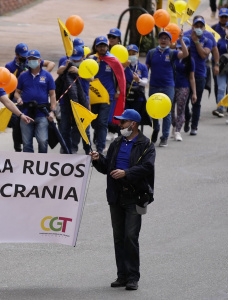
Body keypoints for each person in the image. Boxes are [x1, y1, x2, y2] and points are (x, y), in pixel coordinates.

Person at [90, 109, 156, 291]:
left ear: (133, 124)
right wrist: (97, 160)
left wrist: (126, 173)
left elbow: (147, 167)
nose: (119, 126)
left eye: (123, 123)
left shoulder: (146, 144)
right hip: (115, 195)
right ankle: (122, 275)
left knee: (130, 237)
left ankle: (133, 276)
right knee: (119, 237)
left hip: (134, 196)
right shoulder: (117, 143)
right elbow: (107, 167)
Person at [146, 30, 188, 147]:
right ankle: (156, 129)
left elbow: (185, 54)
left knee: (167, 112)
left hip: (168, 86)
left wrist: (180, 40)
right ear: (158, 40)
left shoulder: (172, 53)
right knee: (153, 111)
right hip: (154, 85)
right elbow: (146, 68)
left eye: (166, 38)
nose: (163, 40)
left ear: (170, 42)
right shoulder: (151, 52)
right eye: (161, 38)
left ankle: (164, 136)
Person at [14, 50, 56, 153]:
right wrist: (18, 98)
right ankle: (28, 164)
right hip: (26, 113)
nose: (32, 61)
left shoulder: (47, 75)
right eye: (30, 59)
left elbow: (52, 94)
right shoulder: (23, 76)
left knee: (43, 140)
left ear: (40, 60)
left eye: (34, 59)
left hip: (42, 113)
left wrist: (52, 111)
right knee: (26, 142)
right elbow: (16, 92)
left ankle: (42, 163)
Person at [90, 36, 126, 153]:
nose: (102, 48)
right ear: (96, 47)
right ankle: (98, 136)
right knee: (94, 122)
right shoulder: (91, 59)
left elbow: (120, 77)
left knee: (103, 122)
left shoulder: (113, 60)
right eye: (99, 46)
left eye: (104, 46)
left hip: (108, 96)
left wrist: (118, 91)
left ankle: (100, 147)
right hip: (93, 96)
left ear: (107, 46)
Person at [55, 46, 92, 154]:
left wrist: (79, 71)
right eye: (73, 59)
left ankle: (88, 150)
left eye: (77, 59)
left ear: (83, 57)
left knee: (84, 128)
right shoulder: (67, 61)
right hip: (67, 100)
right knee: (64, 126)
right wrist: (66, 66)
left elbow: (92, 78)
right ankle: (66, 149)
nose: (75, 61)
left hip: (83, 100)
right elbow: (59, 71)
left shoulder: (87, 64)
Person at [183, 16, 214, 136]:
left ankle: (194, 126)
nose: (199, 28)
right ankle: (187, 118)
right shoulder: (186, 38)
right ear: (193, 27)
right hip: (186, 73)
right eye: (197, 26)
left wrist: (196, 42)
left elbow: (203, 55)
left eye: (201, 26)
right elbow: (177, 49)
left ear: (204, 27)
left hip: (200, 75)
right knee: (184, 100)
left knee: (197, 102)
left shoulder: (208, 40)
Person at [5, 43, 30, 152]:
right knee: (16, 122)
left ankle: (26, 144)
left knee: (26, 121)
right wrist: (21, 76)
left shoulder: (30, 63)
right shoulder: (9, 66)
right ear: (16, 54)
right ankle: (17, 147)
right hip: (14, 97)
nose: (24, 57)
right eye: (22, 55)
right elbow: (7, 84)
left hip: (28, 96)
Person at [172, 38, 196, 142]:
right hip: (171, 86)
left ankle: (178, 130)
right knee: (170, 110)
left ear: (188, 47)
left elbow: (192, 77)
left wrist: (194, 93)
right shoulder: (173, 57)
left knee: (180, 109)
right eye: (179, 46)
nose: (180, 48)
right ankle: (174, 124)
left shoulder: (190, 60)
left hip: (183, 86)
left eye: (183, 46)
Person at [124, 45, 149, 126]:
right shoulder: (124, 66)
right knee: (126, 117)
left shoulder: (142, 67)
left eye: (133, 53)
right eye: (129, 53)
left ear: (137, 54)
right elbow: (118, 77)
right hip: (126, 95)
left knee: (135, 117)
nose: (131, 55)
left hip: (138, 96)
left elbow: (145, 82)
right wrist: (123, 67)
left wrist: (139, 80)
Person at [214, 10, 228, 117]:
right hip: (222, 67)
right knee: (221, 88)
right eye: (222, 17)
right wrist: (216, 64)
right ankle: (220, 108)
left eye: (226, 17)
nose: (223, 18)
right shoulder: (220, 40)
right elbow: (215, 52)